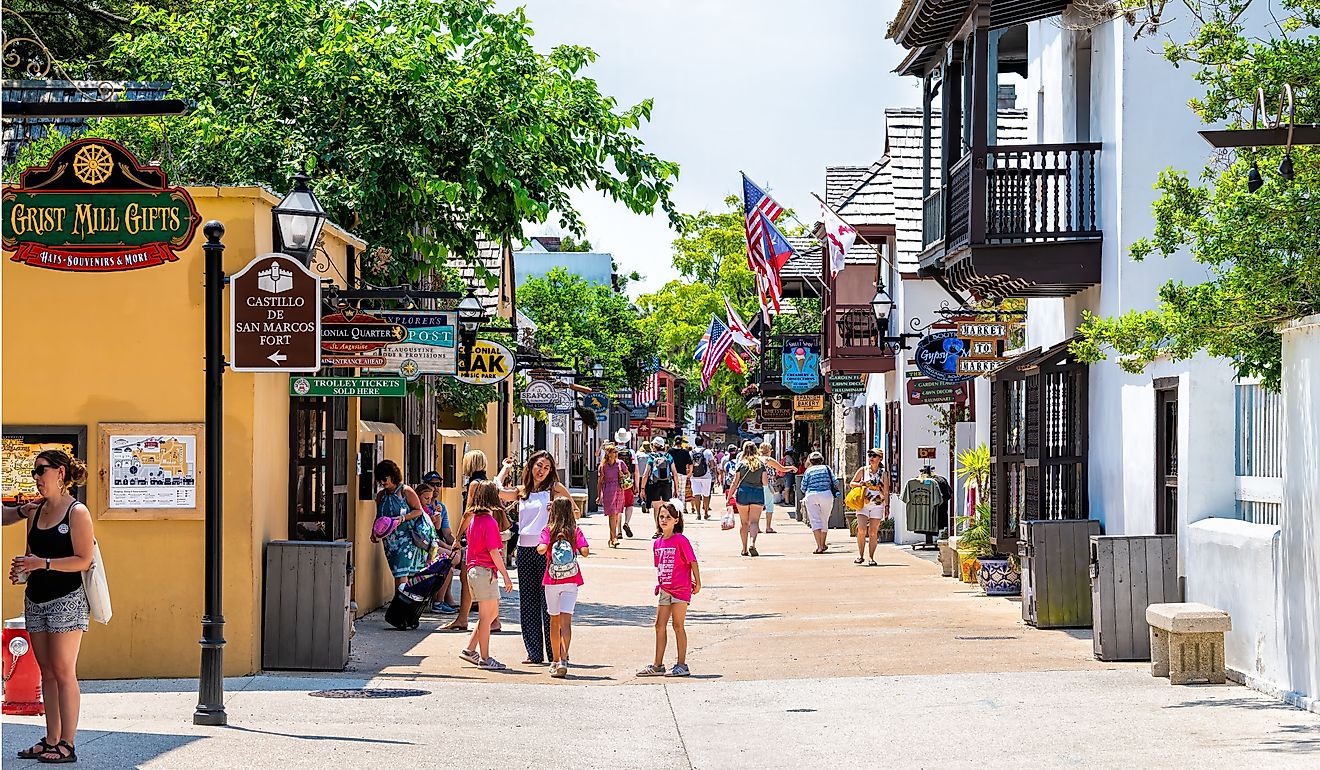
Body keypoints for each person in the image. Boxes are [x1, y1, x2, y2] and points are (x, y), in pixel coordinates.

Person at [3, 450, 94, 765]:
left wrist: (42, 563)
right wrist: (24, 571)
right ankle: (51, 739)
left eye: (42, 470)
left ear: (60, 473)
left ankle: (68, 743)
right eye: (34, 472)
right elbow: (32, 554)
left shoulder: (77, 512)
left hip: (66, 599)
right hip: (36, 599)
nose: (37, 477)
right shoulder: (35, 511)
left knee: (64, 672)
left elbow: (84, 559)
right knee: (47, 672)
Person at [497, 451, 572, 665]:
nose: (542, 471)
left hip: (546, 549)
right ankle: (534, 652)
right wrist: (506, 468)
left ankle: (555, 652)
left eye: (546, 467)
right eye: (539, 465)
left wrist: (556, 510)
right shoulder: (523, 491)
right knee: (528, 601)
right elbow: (498, 491)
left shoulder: (554, 489)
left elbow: (573, 511)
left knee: (549, 601)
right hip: (524, 549)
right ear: (531, 466)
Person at [636, 503, 701, 678]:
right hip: (665, 589)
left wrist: (698, 582)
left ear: (676, 520)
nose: (664, 520)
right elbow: (660, 566)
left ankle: (682, 664)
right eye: (661, 516)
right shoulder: (657, 543)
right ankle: (658, 665)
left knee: (678, 625)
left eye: (668, 517)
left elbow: (692, 561)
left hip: (681, 589)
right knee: (659, 625)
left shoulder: (681, 540)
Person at [443, 451, 502, 633]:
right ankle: (493, 619)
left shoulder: (474, 485)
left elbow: (469, 511)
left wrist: (459, 537)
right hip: (488, 532)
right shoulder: (488, 483)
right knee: (486, 574)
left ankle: (463, 619)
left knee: (467, 576)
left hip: (475, 534)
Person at [459, 481, 514, 671]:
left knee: (490, 614)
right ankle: (485, 657)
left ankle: (470, 650)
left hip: (475, 571)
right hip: (485, 572)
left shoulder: (474, 520)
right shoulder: (489, 523)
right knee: (486, 616)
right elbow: (494, 551)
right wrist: (506, 576)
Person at [537, 498, 589, 678]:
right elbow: (585, 551)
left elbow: (541, 548)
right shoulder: (575, 531)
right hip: (571, 580)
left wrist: (545, 546)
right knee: (566, 622)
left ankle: (555, 660)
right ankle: (564, 658)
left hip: (552, 580)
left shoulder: (548, 530)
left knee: (554, 621)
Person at [372, 460, 433, 589]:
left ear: (393, 475)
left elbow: (418, 510)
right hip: (389, 540)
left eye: (385, 478)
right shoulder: (381, 495)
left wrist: (403, 518)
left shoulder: (405, 491)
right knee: (397, 571)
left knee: (402, 570)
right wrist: (374, 531)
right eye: (380, 479)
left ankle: (402, 602)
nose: (383, 482)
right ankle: (399, 600)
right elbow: (379, 516)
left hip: (406, 538)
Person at [729, 441, 790, 557]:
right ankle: (753, 543)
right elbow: (765, 482)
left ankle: (744, 549)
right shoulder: (760, 464)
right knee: (754, 522)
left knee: (744, 523)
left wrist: (729, 497)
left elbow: (734, 482)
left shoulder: (741, 464)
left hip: (743, 493)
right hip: (757, 493)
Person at [415, 481, 457, 613]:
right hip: (422, 550)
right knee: (449, 565)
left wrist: (436, 517)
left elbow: (437, 529)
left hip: (430, 546)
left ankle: (442, 599)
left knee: (452, 561)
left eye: (430, 498)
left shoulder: (429, 509)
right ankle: (439, 601)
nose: (428, 501)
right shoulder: (417, 511)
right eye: (425, 498)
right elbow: (424, 535)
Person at [850, 448, 888, 566]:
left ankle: (871, 557)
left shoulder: (883, 473)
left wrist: (887, 507)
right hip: (863, 504)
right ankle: (860, 555)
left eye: (874, 456)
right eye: (870, 455)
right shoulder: (863, 470)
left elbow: (886, 491)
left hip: (877, 505)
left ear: (880, 458)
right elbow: (852, 483)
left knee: (873, 532)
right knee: (861, 529)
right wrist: (861, 484)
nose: (871, 458)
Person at [799, 452, 840, 554]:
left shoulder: (808, 471)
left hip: (811, 495)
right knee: (824, 520)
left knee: (815, 520)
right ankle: (823, 543)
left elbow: (803, 487)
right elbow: (835, 482)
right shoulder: (827, 468)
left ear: (811, 461)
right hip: (826, 495)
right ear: (822, 460)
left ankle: (819, 546)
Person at [637, 438, 674, 538]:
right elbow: (674, 473)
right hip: (667, 484)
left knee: (657, 508)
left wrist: (642, 489)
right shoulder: (668, 456)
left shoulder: (652, 457)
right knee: (666, 508)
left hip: (654, 484)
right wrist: (677, 488)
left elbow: (645, 474)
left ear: (654, 446)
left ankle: (658, 529)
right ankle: (666, 529)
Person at [598, 444, 627, 547]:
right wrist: (599, 495)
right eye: (614, 452)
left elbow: (627, 474)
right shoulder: (603, 466)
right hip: (608, 491)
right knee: (612, 514)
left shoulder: (620, 464)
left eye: (616, 452)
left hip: (619, 489)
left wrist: (623, 476)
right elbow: (600, 481)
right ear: (609, 454)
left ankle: (611, 538)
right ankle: (614, 538)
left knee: (616, 514)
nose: (616, 453)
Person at [688, 437, 715, 521]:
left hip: (694, 476)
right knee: (706, 495)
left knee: (696, 495)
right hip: (706, 476)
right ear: (703, 442)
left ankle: (698, 514)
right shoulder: (708, 452)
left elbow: (689, 465)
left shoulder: (691, 452)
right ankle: (706, 513)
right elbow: (712, 464)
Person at [758, 443, 780, 534]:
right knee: (769, 506)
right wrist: (790, 468)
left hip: (758, 484)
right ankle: (768, 527)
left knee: (758, 506)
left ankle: (756, 526)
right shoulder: (769, 459)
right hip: (768, 484)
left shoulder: (756, 459)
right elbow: (781, 468)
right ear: (769, 450)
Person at [617, 443, 638, 539]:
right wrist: (637, 486)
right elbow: (636, 470)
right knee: (629, 505)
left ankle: (619, 531)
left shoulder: (613, 451)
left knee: (618, 508)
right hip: (627, 483)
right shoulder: (631, 452)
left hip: (616, 483)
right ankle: (626, 523)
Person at [669, 437, 693, 514]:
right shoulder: (685, 452)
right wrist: (689, 474)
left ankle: (673, 509)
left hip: (672, 474)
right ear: (681, 443)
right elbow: (690, 464)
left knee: (673, 491)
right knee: (682, 492)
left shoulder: (670, 451)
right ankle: (680, 511)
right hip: (683, 474)